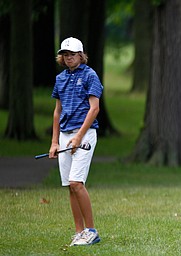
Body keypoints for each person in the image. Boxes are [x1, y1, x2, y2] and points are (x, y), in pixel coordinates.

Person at [49, 37, 103, 246]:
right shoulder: (60, 78)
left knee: (76, 183)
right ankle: (79, 232)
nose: (68, 58)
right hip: (64, 135)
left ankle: (91, 231)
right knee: (69, 186)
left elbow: (95, 108)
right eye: (65, 54)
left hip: (85, 134)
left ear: (81, 55)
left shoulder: (90, 75)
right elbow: (57, 112)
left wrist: (79, 136)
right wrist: (55, 142)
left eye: (72, 54)